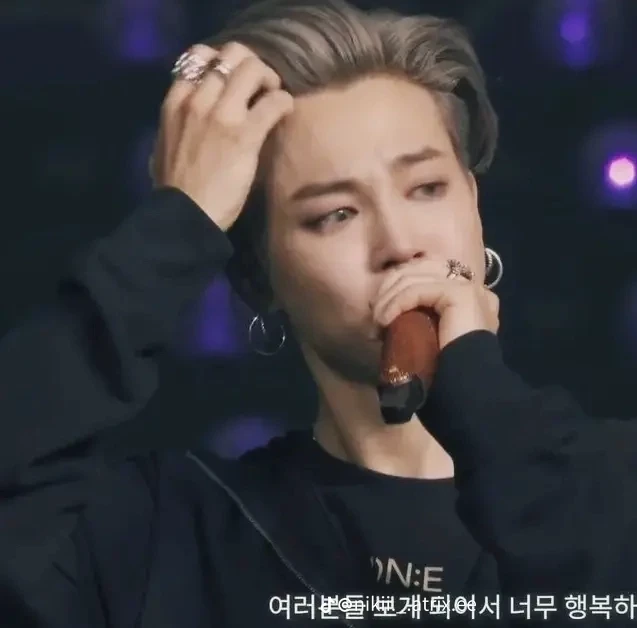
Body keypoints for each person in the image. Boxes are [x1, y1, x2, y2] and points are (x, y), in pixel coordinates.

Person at [1, 0, 636, 626]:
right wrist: (177, 225)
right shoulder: (175, 536)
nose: (399, 244)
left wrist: (482, 400)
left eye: (426, 188)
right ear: (259, 279)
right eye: (335, 214)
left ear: (474, 203)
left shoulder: (610, 480)